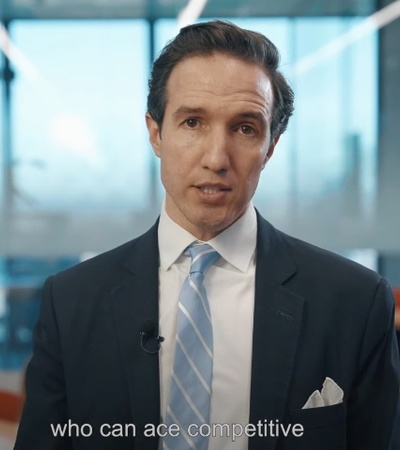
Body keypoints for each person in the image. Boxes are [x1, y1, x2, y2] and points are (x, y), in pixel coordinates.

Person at [14, 20, 399, 450]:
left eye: (246, 128)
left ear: (270, 147)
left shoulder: (355, 302)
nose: (216, 158)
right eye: (193, 122)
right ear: (156, 133)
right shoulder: (70, 304)